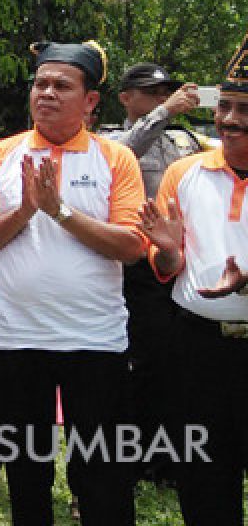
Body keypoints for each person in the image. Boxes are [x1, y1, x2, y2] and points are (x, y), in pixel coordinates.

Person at [0, 41, 147, 526]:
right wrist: (24, 210)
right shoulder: (0, 156)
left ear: (90, 102)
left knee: (103, 470)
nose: (46, 93)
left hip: (95, 341)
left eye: (62, 85)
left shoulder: (116, 159)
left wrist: (59, 211)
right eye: (40, 84)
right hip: (16, 339)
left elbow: (132, 247)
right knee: (26, 472)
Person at [138, 29, 248, 525]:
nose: (229, 119)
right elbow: (168, 269)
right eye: (224, 106)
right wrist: (164, 251)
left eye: (244, 109)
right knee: (203, 482)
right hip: (196, 351)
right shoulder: (185, 172)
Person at [103, 63, 201, 487]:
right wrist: (163, 114)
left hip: (180, 262)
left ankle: (169, 460)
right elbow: (121, 157)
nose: (163, 97)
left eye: (167, 92)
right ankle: (136, 457)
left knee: (175, 366)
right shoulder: (109, 138)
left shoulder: (183, 139)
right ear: (126, 97)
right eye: (153, 92)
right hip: (136, 267)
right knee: (137, 366)